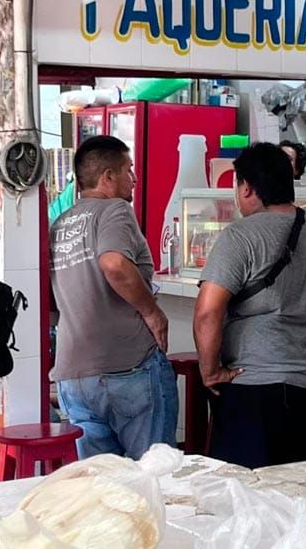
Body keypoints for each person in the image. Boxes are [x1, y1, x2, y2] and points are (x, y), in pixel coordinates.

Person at [193, 142, 306, 468]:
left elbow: (208, 311)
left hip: (254, 387)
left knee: (254, 497)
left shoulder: (239, 236)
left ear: (246, 188)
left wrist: (210, 371)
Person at [49, 135, 177, 460]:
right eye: (128, 169)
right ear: (108, 177)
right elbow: (114, 263)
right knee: (153, 476)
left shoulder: (59, 224)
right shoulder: (114, 210)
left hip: (74, 378)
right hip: (128, 367)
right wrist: (152, 312)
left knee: (102, 489)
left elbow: (51, 303)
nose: (133, 178)